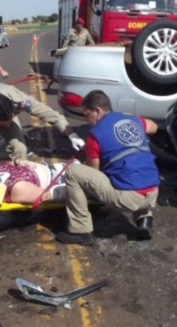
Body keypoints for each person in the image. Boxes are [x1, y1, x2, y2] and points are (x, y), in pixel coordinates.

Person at [55, 90, 160, 245]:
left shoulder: (94, 135)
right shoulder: (133, 119)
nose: (87, 120)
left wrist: (87, 153)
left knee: (73, 172)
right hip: (153, 192)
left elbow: (94, 172)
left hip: (130, 197)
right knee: (136, 163)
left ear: (97, 110)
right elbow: (154, 127)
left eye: (86, 114)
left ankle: (81, 230)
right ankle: (144, 219)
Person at [0, 83, 85, 167]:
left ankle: (19, 178)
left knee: (20, 148)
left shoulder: (20, 102)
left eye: (9, 122)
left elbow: (49, 114)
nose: (6, 126)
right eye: (3, 124)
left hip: (3, 100)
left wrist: (72, 135)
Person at [0, 159, 70, 204]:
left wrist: (18, 161)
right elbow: (54, 194)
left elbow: (11, 164)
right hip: (65, 178)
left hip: (59, 168)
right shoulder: (15, 188)